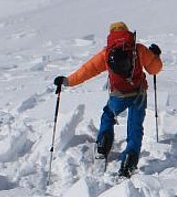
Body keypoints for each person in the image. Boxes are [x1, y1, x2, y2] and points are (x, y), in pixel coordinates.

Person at [53, 21, 163, 178]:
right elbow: (154, 69)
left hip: (118, 95)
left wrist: (67, 81)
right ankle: (128, 163)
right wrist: (156, 56)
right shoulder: (138, 49)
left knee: (108, 115)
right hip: (139, 94)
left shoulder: (107, 53)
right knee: (135, 129)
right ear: (127, 32)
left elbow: (87, 71)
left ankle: (102, 146)